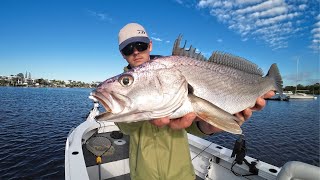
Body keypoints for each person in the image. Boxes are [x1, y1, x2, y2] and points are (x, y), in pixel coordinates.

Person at [115, 22, 275, 180]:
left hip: (181, 174)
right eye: (128, 49)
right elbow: (125, 126)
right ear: (122, 54)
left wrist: (210, 125)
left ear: (149, 45)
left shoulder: (173, 69)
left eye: (140, 45)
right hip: (144, 174)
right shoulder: (119, 90)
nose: (135, 52)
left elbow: (193, 124)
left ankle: (271, 81)